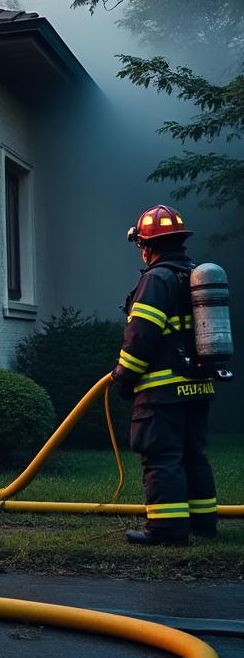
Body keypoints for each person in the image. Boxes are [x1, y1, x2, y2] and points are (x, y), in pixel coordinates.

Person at [112, 205, 218, 546]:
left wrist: (123, 376)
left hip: (162, 392)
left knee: (162, 456)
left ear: (148, 245)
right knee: (192, 455)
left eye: (141, 244)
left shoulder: (156, 279)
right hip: (198, 387)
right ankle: (203, 525)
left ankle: (167, 530)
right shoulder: (195, 277)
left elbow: (141, 335)